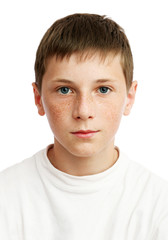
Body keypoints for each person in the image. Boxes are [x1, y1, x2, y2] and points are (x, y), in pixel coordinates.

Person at [0, 13, 168, 240]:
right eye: (64, 90)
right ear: (38, 98)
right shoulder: (7, 197)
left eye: (103, 90)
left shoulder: (158, 206)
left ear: (129, 97)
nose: (83, 111)